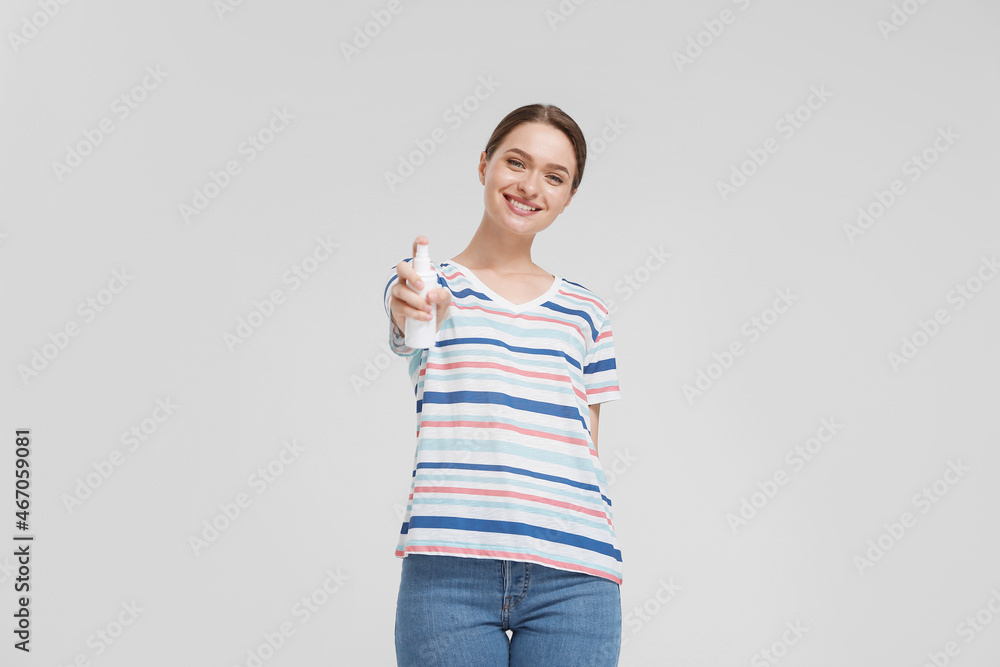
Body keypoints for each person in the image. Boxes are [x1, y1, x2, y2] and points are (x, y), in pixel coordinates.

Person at [383, 103, 624, 666]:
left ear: (568, 195)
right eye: (516, 162)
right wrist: (416, 312)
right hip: (448, 573)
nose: (530, 185)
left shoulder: (587, 311)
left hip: (576, 577)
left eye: (554, 176)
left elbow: (587, 445)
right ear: (485, 164)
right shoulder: (426, 283)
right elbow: (406, 330)